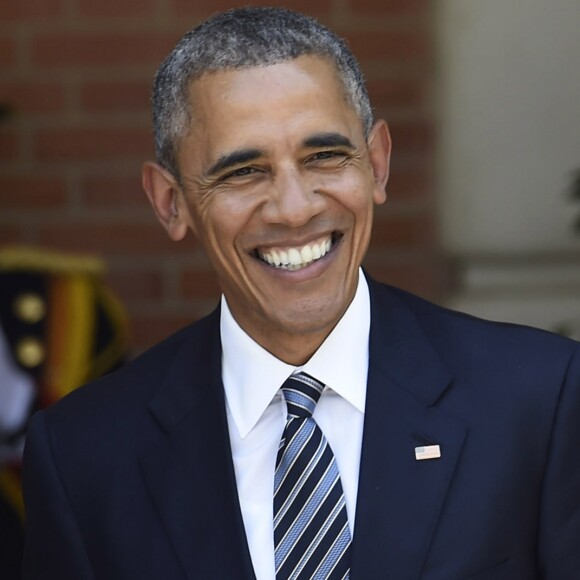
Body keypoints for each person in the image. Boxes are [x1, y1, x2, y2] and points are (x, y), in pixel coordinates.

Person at [22, 7, 579, 579]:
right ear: (171, 203)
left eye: (324, 156)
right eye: (243, 172)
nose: (295, 208)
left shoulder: (539, 401)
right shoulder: (83, 456)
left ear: (378, 165)